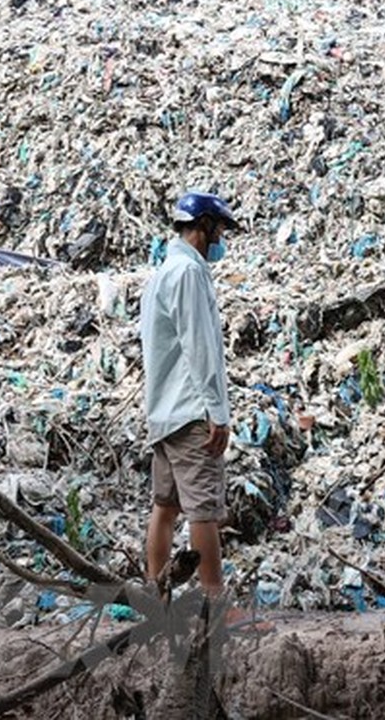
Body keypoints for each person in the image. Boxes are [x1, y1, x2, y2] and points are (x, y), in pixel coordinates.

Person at [141, 191, 238, 598]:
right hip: (189, 412)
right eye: (218, 230)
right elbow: (201, 348)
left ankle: (155, 594)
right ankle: (216, 605)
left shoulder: (163, 273)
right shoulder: (188, 274)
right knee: (204, 511)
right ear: (204, 228)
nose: (220, 240)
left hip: (164, 413)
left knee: (164, 507)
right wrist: (217, 412)